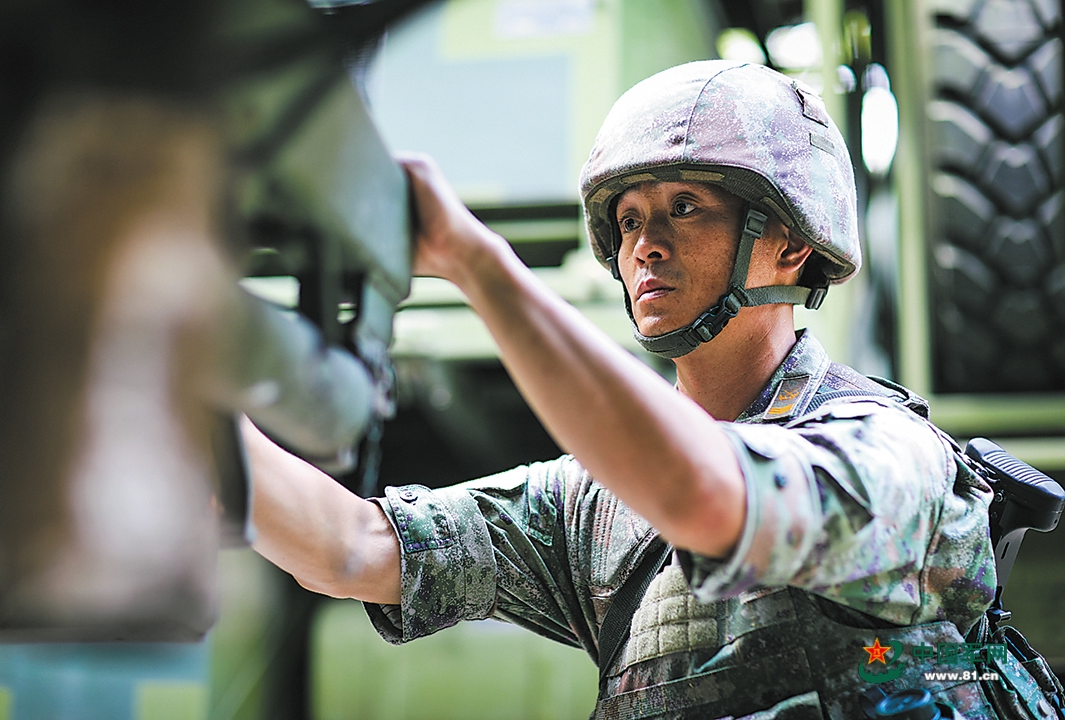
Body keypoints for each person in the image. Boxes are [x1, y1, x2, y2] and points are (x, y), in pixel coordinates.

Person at [244, 61, 1000, 718]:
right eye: (629, 220)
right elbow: (351, 548)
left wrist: (476, 264)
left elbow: (705, 496)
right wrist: (199, 413)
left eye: (684, 208)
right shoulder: (597, 506)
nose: (646, 246)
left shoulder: (888, 455)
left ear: (791, 243)